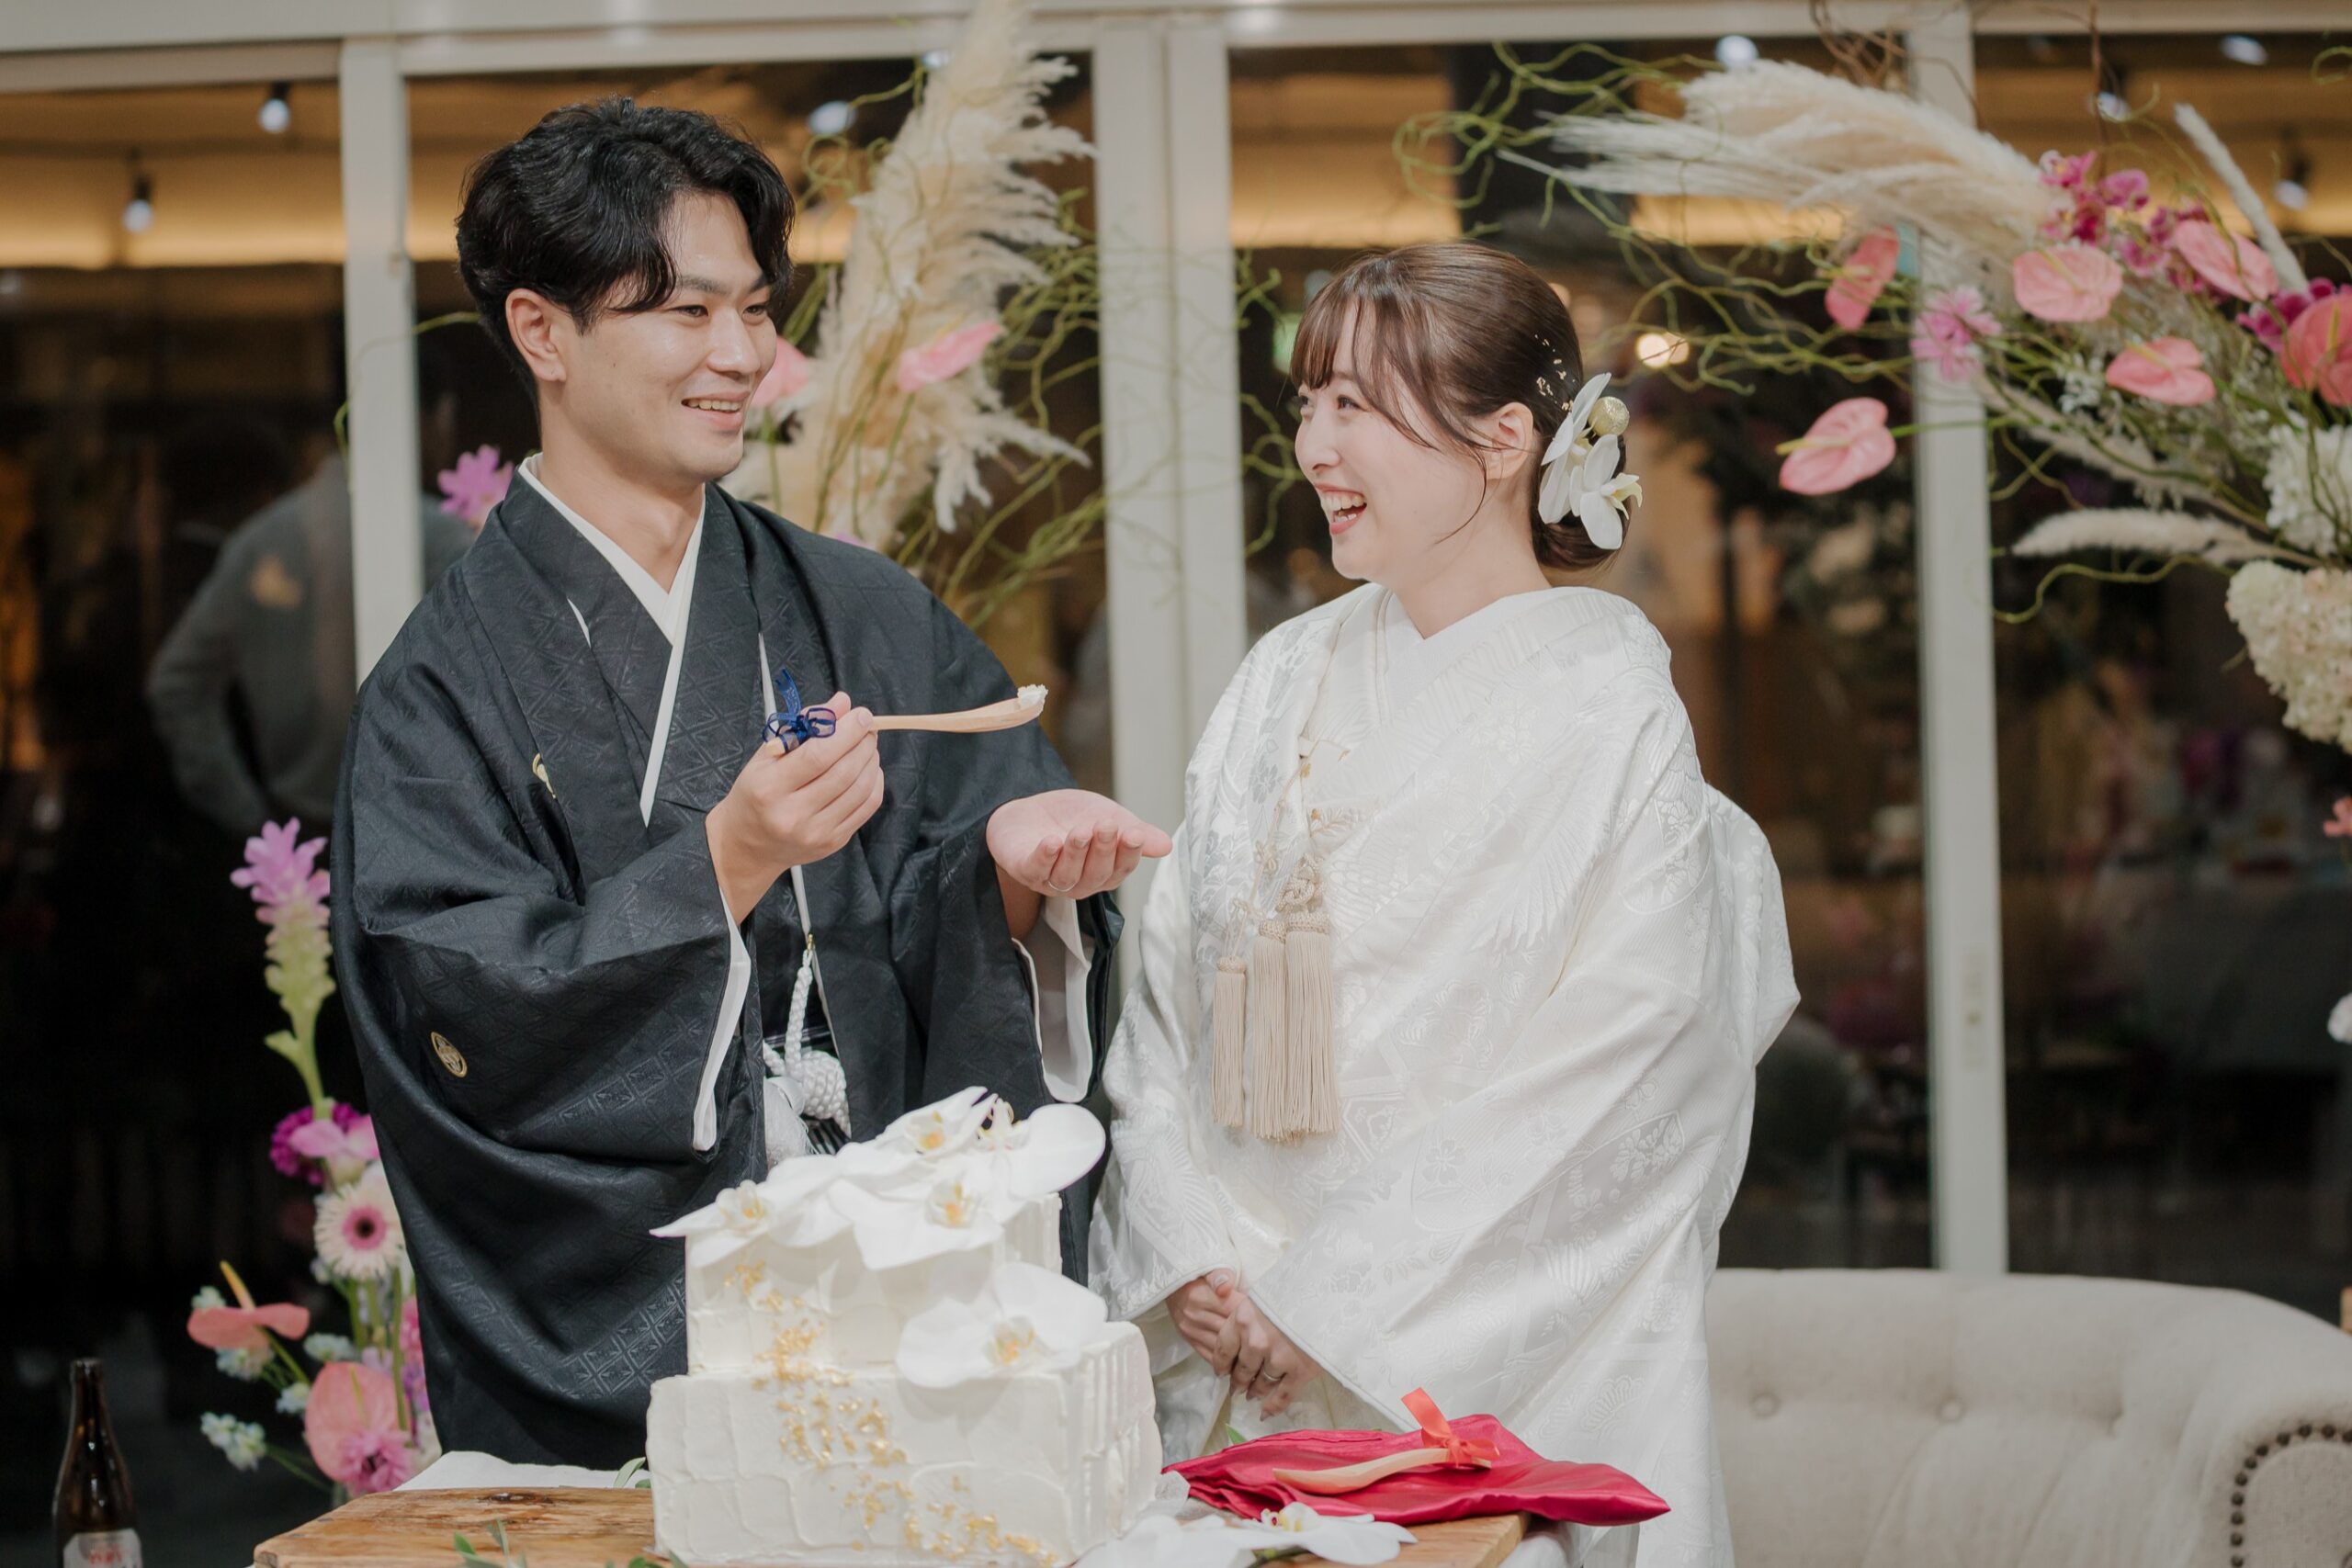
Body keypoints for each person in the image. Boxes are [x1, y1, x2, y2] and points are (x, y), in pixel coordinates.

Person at [332, 99, 1168, 1465]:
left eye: (757, 311)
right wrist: (723, 862)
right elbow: (466, 1012)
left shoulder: (861, 609)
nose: (740, 356)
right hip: (646, 1334)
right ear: (543, 332)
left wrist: (1015, 877)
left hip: (901, 1315)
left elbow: (971, 888)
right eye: (686, 312)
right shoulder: (441, 689)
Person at [1089, 242, 1797, 1568]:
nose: (1314, 445)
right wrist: (1190, 1255)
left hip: (1460, 1364)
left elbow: (1625, 1068)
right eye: (1309, 402)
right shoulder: (1281, 674)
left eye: (1356, 405)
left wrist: (1327, 1301)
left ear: (1506, 440)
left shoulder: (1608, 707)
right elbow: (1175, 995)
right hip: (1235, 1342)